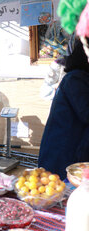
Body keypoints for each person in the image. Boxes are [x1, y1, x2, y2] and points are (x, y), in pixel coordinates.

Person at [38, 38, 89, 180]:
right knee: (57, 193)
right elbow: (86, 114)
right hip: (63, 153)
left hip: (71, 151)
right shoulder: (76, 79)